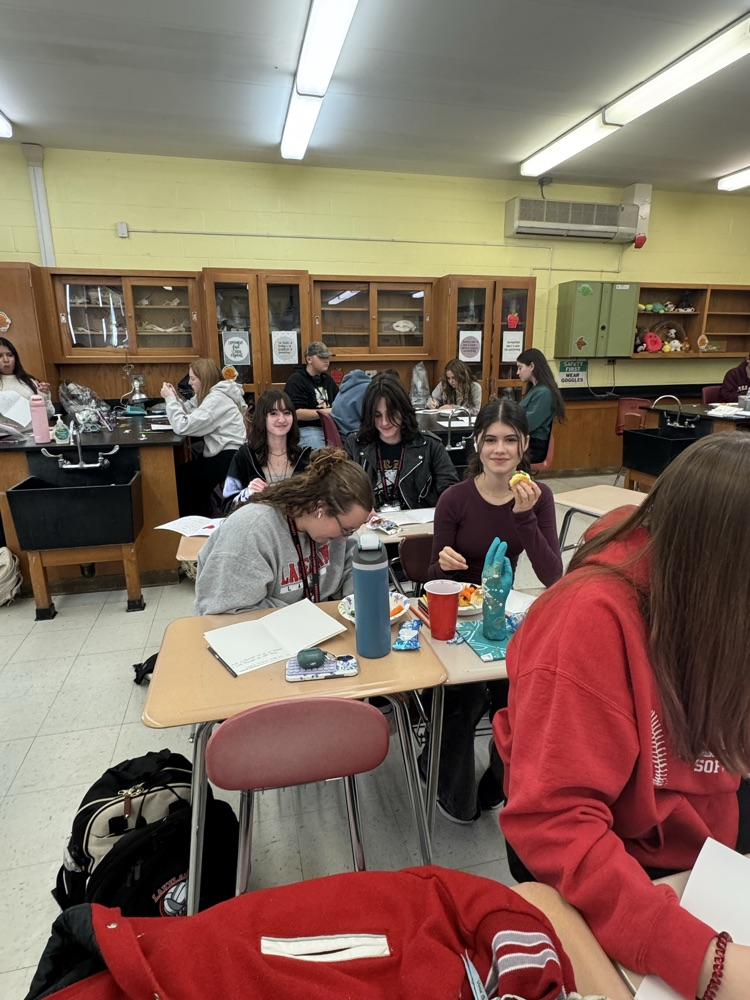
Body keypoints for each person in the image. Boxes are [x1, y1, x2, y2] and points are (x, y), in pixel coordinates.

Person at [496, 431, 750, 1000]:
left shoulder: (712, 608)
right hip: (622, 863)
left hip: (705, 852)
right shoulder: (590, 619)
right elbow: (556, 824)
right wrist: (707, 961)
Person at [422, 398, 562, 823]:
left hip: (503, 616)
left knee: (519, 701)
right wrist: (443, 564)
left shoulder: (538, 497)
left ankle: (498, 783)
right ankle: (452, 787)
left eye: (509, 440)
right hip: (459, 618)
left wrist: (524, 518)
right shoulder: (454, 498)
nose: (499, 449)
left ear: (524, 447)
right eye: (491, 440)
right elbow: (430, 574)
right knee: (461, 704)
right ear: (477, 444)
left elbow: (553, 573)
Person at [195, 448, 374, 615]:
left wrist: (360, 604)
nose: (345, 537)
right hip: (255, 634)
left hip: (312, 627)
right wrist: (302, 615)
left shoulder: (338, 528)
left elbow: (354, 572)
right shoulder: (251, 531)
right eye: (346, 529)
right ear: (320, 507)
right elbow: (223, 612)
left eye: (353, 530)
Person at [343, 376, 458, 511]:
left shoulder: (430, 445)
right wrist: (359, 509)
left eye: (391, 414)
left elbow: (451, 494)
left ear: (404, 411)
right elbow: (341, 491)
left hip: (416, 525)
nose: (385, 422)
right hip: (368, 524)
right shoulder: (355, 444)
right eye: (377, 415)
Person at [161, 358, 247, 517]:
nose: (190, 383)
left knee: (179, 478)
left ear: (204, 379)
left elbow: (182, 425)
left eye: (193, 379)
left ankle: (194, 523)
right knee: (186, 473)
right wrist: (176, 399)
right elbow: (190, 413)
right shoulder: (214, 394)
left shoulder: (217, 399)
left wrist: (170, 400)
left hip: (228, 459)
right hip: (228, 454)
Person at [219, 388, 311, 513]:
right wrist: (248, 493)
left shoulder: (305, 457)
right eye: (273, 413)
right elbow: (227, 507)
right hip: (258, 528)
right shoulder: (245, 456)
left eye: (287, 413)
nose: (282, 419)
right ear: (262, 418)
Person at [284, 341, 339, 448]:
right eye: (322, 358)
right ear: (309, 359)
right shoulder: (296, 380)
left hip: (330, 427)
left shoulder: (327, 379)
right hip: (306, 429)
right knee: (322, 455)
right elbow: (296, 413)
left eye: (327, 357)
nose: (326, 361)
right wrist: (327, 412)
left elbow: (339, 401)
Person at [515, 348, 566, 463]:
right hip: (527, 443)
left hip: (534, 447)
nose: (517, 372)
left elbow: (528, 424)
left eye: (520, 367)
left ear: (532, 366)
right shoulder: (536, 389)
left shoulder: (544, 392)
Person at [0, 337, 54, 419]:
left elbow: (48, 414)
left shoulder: (30, 381)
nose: (6, 360)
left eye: (10, 355)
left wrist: (45, 395)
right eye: (0, 356)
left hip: (33, 431)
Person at [330, 368, 371, 436]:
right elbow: (370, 419)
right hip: (353, 436)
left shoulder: (342, 390)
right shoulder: (366, 389)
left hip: (341, 433)